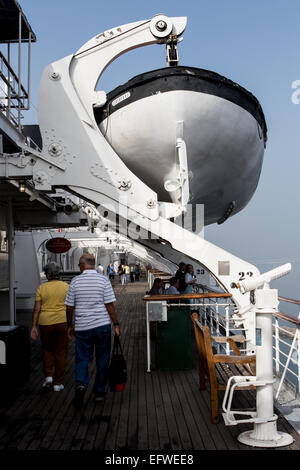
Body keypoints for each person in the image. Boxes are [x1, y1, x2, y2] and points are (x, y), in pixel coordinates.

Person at [65, 253, 120, 407]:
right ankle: (100, 392)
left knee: (82, 359)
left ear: (82, 265)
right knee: (102, 358)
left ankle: (81, 385)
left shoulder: (75, 281)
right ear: (93, 264)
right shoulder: (103, 280)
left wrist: (69, 325)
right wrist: (116, 324)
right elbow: (109, 305)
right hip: (102, 326)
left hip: (83, 327)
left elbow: (69, 307)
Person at [30, 262, 69, 392]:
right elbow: (70, 307)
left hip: (45, 322)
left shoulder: (42, 288)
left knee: (47, 349)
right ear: (58, 273)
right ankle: (58, 383)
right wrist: (71, 324)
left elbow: (37, 308)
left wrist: (34, 326)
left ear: (47, 275)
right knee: (61, 352)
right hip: (62, 321)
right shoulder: (66, 287)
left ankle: (48, 377)